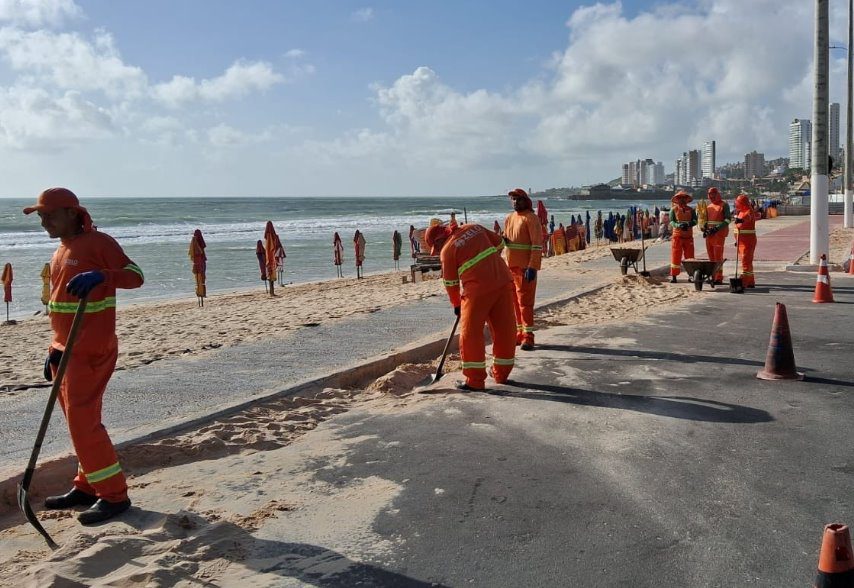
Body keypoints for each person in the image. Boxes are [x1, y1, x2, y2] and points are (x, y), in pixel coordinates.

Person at [23, 187, 144, 524]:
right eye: (41, 216)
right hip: (65, 348)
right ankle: (87, 486)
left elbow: (136, 277)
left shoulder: (99, 243)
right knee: (79, 423)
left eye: (49, 215)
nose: (43, 221)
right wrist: (54, 350)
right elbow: (61, 306)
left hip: (90, 349)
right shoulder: (61, 250)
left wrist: (103, 275)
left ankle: (115, 496)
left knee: (83, 424)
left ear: (72, 213)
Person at [425, 222, 515, 391]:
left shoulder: (447, 250)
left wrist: (457, 305)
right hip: (503, 281)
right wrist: (488, 262)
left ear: (438, 241)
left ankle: (475, 380)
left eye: (435, 247)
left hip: (477, 291)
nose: (437, 251)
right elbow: (500, 243)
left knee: (470, 333)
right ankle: (501, 373)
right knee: (505, 329)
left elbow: (451, 283)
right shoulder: (475, 227)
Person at [503, 188, 542, 350]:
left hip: (525, 268)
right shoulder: (509, 218)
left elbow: (537, 245)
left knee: (525, 304)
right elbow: (506, 240)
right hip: (510, 267)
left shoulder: (531, 219)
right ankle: (519, 333)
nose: (515, 202)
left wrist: (532, 266)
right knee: (514, 304)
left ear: (525, 201)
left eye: (518, 199)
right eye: (512, 199)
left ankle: (529, 336)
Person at [702, 187, 731, 284]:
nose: (711, 197)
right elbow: (705, 221)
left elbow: (728, 220)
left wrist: (717, 228)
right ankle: (713, 276)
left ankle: (718, 277)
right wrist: (704, 229)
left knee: (718, 256)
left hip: (718, 234)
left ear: (717, 194)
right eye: (710, 195)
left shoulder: (724, 205)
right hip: (709, 234)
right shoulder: (708, 207)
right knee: (711, 256)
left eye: (713, 195)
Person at [669, 191, 697, 283]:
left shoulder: (691, 210)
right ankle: (674, 276)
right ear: (677, 200)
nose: (682, 200)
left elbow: (695, 221)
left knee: (690, 256)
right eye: (680, 198)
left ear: (686, 199)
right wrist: (678, 225)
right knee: (675, 256)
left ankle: (691, 275)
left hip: (688, 236)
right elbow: (671, 222)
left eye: (683, 198)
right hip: (677, 236)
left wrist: (689, 223)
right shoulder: (673, 210)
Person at [732, 193, 757, 288]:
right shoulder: (741, 212)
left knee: (746, 260)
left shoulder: (748, 211)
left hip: (748, 241)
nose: (736, 204)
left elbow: (747, 218)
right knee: (746, 261)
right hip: (741, 240)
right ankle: (750, 280)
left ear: (742, 203)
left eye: (738, 203)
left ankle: (745, 280)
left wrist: (740, 221)